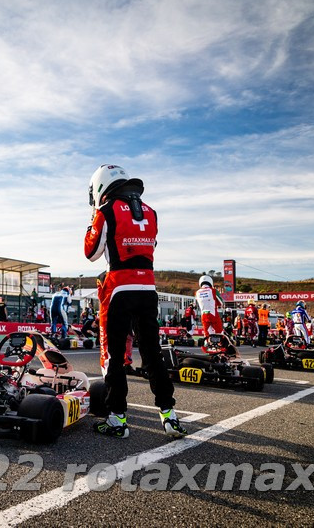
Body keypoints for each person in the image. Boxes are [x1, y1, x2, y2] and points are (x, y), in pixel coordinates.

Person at [85, 164, 184, 439]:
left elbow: (91, 253)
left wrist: (93, 218)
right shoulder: (151, 212)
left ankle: (117, 419)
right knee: (152, 353)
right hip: (148, 287)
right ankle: (169, 416)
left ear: (99, 187)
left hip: (118, 288)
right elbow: (150, 247)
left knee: (115, 356)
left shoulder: (105, 211)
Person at [195, 275, 224, 349]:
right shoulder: (213, 290)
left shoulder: (197, 292)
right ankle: (220, 345)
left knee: (206, 332)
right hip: (213, 314)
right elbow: (221, 303)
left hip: (203, 315)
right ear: (210, 282)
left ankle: (207, 345)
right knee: (219, 331)